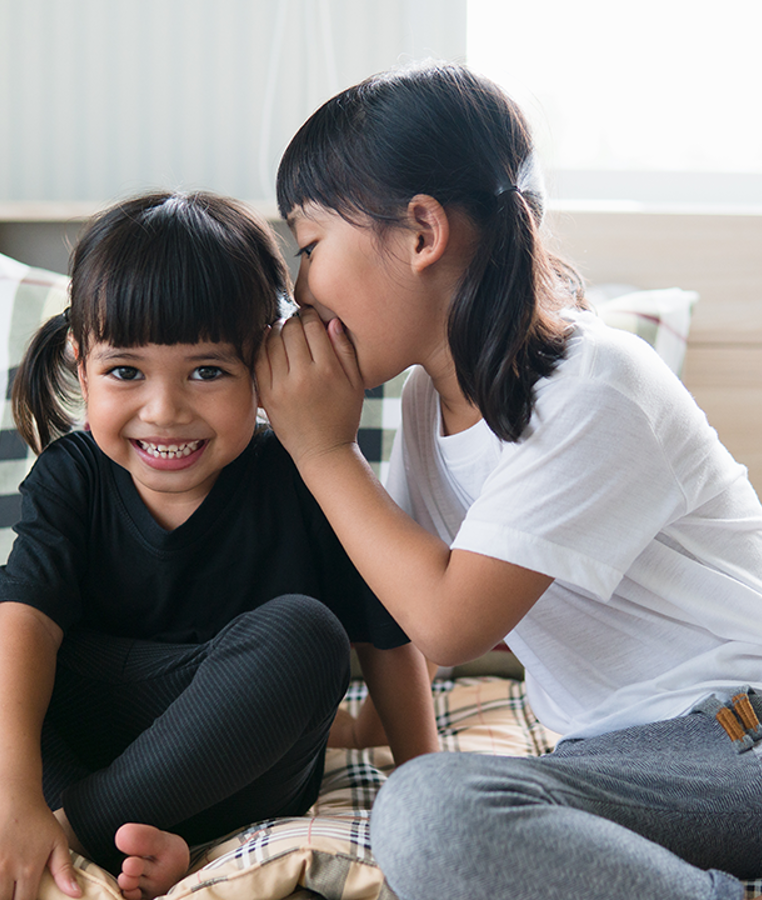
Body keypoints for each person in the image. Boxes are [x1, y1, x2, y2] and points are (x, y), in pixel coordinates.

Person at [257, 60, 762, 900]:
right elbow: (397, 605)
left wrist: (323, 452)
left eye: (309, 247)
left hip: (739, 728)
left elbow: (450, 624)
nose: (300, 287)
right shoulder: (427, 406)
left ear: (422, 232)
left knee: (426, 810)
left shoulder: (594, 383)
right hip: (628, 759)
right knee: (440, 810)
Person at [0, 191, 438, 900]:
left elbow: (385, 642)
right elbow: (27, 623)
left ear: (262, 365)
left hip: (227, 760)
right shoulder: (73, 473)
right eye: (126, 372)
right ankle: (61, 815)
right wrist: (11, 793)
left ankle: (72, 829)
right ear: (80, 360)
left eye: (207, 372)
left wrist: (426, 780)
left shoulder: (305, 473)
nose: (164, 410)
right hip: (73, 731)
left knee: (307, 634)